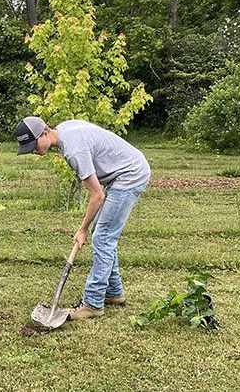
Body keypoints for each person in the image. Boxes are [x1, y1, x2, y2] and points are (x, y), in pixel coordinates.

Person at [14, 116, 150, 320]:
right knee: (104, 237)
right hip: (120, 173)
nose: (32, 150)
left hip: (129, 175)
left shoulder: (73, 150)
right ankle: (114, 293)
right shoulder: (64, 131)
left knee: (102, 238)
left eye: (33, 145)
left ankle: (93, 304)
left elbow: (97, 194)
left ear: (44, 132)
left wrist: (82, 229)